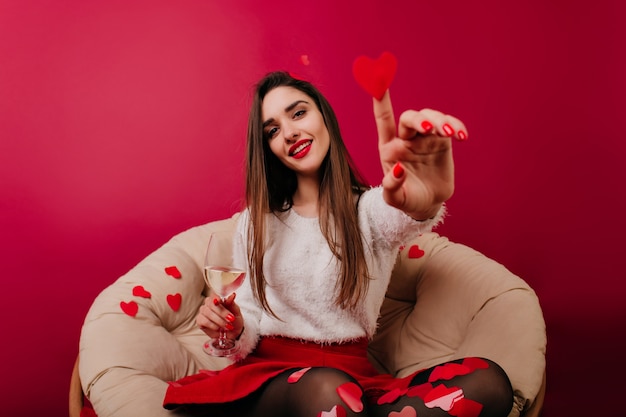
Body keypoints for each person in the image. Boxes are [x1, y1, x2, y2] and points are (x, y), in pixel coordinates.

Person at [164, 71, 513, 417]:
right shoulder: (256, 222)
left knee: (488, 382)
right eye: (272, 130)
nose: (289, 132)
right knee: (327, 390)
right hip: (272, 378)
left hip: (352, 383)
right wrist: (236, 325)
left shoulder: (370, 211)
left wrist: (425, 198)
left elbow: (405, 213)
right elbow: (250, 313)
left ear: (323, 116)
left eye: (299, 113)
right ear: (268, 148)